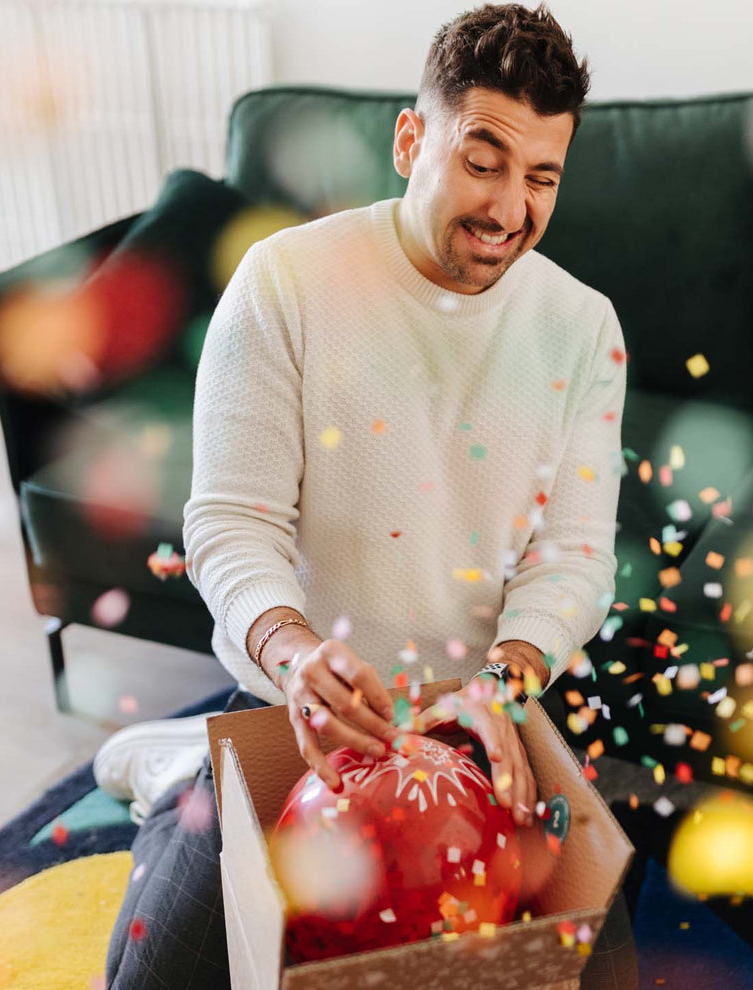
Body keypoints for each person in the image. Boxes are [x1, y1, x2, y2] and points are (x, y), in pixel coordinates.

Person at [98, 3, 637, 987]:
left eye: (542, 177)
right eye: (484, 159)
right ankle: (190, 760)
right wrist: (296, 658)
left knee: (594, 959)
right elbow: (230, 518)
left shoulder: (583, 329)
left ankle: (183, 752)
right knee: (148, 973)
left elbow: (574, 559)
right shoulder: (285, 285)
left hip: (477, 727)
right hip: (292, 712)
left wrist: (504, 683)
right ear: (410, 140)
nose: (511, 208)